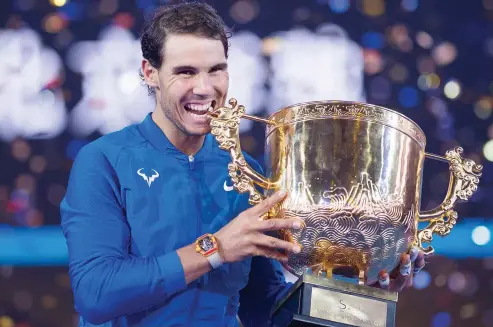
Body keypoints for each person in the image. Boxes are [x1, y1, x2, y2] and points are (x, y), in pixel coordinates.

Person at [60, 2, 426, 327]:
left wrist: (361, 289)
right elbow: (96, 295)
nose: (205, 88)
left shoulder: (243, 170)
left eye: (216, 70)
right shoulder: (104, 160)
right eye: (185, 72)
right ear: (150, 72)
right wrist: (214, 249)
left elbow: (264, 308)